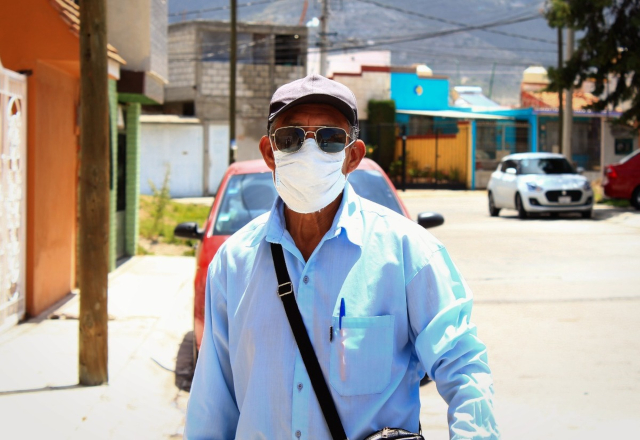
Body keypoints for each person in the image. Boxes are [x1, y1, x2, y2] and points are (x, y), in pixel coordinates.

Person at [185, 74, 499, 439]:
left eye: (330, 139)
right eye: (291, 138)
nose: (309, 152)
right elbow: (212, 405)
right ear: (270, 153)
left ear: (353, 156)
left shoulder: (408, 254)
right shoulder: (232, 263)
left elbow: (464, 368)